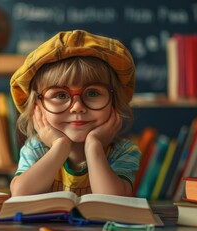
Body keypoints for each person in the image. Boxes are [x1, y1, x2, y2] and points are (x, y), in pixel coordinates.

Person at [9, 30, 140, 197]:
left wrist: (94, 146)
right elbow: (20, 194)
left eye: (92, 93)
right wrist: (60, 146)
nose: (77, 107)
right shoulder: (37, 148)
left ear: (114, 102)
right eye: (60, 95)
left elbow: (114, 200)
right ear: (38, 107)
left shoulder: (123, 151)